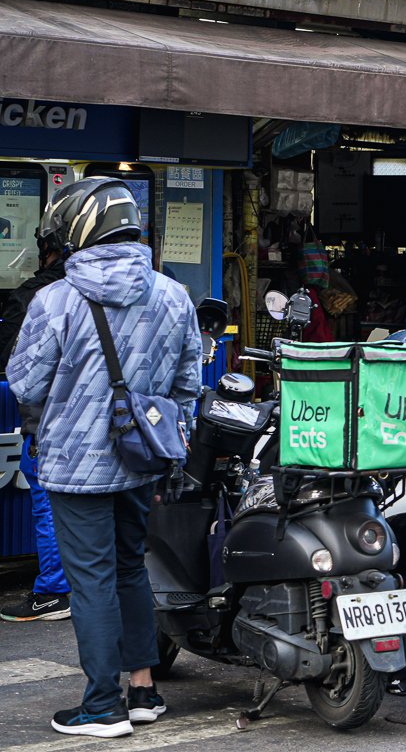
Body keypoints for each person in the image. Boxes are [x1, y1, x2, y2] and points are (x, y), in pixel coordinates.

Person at [8, 178, 201, 737]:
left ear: (78, 229)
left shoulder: (55, 300)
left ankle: (101, 705)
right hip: (143, 458)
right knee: (128, 569)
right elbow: (187, 384)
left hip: (74, 464)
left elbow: (23, 382)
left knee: (90, 581)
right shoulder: (172, 294)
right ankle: (142, 690)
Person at [0, 217, 71, 623]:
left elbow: (12, 364)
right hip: (109, 421)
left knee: (48, 504)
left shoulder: (36, 294)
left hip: (50, 420)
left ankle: (54, 592)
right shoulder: (138, 289)